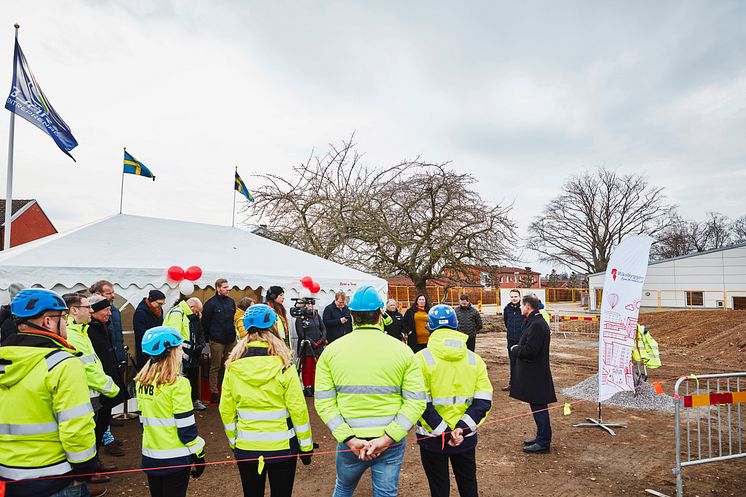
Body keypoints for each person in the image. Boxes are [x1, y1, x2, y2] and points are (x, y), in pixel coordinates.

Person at [315, 285, 426, 497]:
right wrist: (388, 438)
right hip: (389, 441)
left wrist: (349, 439)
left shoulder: (331, 352)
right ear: (380, 314)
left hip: (350, 440)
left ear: (352, 315)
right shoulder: (403, 351)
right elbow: (416, 402)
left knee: (344, 488)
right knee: (385, 493)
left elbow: (323, 402)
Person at [0, 289, 99, 497]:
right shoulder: (63, 364)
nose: (66, 323)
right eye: (63, 317)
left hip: (9, 479)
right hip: (57, 479)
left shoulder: (5, 361)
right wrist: (85, 469)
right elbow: (76, 427)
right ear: (47, 322)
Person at [219, 304, 313, 497]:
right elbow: (298, 408)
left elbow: (226, 409)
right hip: (282, 448)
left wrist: (233, 442)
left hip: (247, 446)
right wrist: (306, 447)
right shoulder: (284, 364)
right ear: (274, 327)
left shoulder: (232, 366)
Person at [415, 305, 493, 497]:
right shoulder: (475, 360)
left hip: (432, 437)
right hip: (464, 437)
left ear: (430, 328)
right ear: (456, 326)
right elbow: (483, 401)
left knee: (439, 489)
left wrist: (444, 431)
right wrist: (460, 429)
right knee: (468, 486)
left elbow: (418, 402)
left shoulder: (420, 360)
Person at [135, 326, 206, 497]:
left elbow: (143, 423)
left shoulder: (141, 382)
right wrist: (199, 455)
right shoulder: (178, 384)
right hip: (176, 459)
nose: (182, 353)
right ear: (170, 352)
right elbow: (186, 429)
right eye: (180, 348)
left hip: (151, 457)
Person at [64, 292, 122, 483]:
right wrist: (111, 387)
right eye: (86, 307)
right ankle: (85, 477)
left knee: (94, 432)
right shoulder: (73, 334)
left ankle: (92, 468)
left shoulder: (82, 330)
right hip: (86, 394)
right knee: (87, 434)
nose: (91, 310)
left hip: (94, 392)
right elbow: (87, 367)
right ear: (73, 311)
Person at [509, 294, 556, 454]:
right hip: (534, 374)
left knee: (539, 407)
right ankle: (541, 436)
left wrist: (515, 349)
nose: (520, 308)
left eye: (522, 305)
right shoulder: (535, 321)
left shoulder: (537, 324)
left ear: (528, 307)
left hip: (536, 374)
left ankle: (543, 442)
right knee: (537, 407)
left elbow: (531, 351)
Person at [87, 295, 128, 459]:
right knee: (95, 426)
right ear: (94, 311)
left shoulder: (104, 327)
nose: (110, 313)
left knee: (102, 423)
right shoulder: (89, 330)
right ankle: (93, 463)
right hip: (98, 387)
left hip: (107, 382)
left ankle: (96, 460)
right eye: (106, 310)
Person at [163, 297, 207, 410]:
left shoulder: (185, 314)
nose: (197, 314)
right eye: (196, 311)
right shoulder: (178, 313)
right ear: (191, 307)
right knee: (177, 378)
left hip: (185, 353)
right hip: (177, 354)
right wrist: (182, 352)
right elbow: (174, 336)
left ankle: (185, 402)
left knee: (185, 378)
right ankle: (177, 404)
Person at [202, 278, 237, 404]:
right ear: (218, 288)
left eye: (228, 287)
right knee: (215, 366)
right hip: (216, 339)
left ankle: (227, 388)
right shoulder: (210, 304)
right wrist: (208, 338)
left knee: (229, 365)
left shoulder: (231, 302)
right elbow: (205, 323)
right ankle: (214, 392)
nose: (227, 289)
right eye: (224, 287)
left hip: (230, 339)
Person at [89, 280, 127, 368]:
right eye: (109, 293)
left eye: (113, 292)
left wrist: (122, 357)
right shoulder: (89, 314)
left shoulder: (115, 311)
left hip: (116, 359)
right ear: (98, 294)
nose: (113, 296)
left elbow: (119, 337)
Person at [294, 298, 326, 397]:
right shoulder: (300, 318)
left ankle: (313, 386)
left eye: (311, 304)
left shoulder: (316, 315)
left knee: (315, 368)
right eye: (307, 304)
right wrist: (312, 343)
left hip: (318, 346)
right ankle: (307, 387)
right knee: (307, 368)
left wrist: (321, 340)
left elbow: (323, 328)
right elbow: (300, 333)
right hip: (307, 347)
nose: (309, 306)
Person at [133, 290, 166, 369]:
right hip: (145, 351)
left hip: (158, 348)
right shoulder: (140, 313)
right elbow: (140, 334)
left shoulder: (159, 310)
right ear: (151, 301)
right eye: (159, 303)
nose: (161, 306)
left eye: (162, 304)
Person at [502, 289, 522, 392]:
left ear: (519, 297)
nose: (514, 298)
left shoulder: (523, 308)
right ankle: (512, 383)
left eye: (515, 296)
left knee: (523, 362)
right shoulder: (507, 309)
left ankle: (524, 384)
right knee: (513, 362)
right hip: (511, 340)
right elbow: (506, 323)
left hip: (522, 340)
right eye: (512, 297)